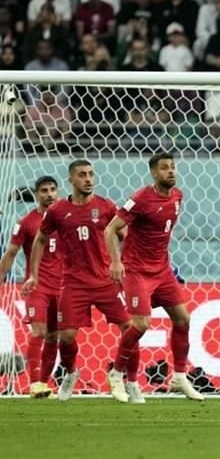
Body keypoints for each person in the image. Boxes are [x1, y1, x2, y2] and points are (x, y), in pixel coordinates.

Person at [23, 160, 133, 403]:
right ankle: (71, 373)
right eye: (82, 175)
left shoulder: (105, 206)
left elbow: (125, 234)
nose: (88, 179)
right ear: (71, 180)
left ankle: (118, 374)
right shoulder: (58, 211)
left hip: (104, 280)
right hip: (73, 283)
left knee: (130, 327)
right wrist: (34, 274)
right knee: (66, 337)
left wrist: (118, 261)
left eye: (91, 174)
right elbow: (41, 240)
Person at [103, 154, 205, 404]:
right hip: (137, 271)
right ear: (153, 173)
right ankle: (116, 373)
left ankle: (180, 376)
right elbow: (110, 229)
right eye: (164, 168)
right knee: (141, 324)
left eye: (172, 167)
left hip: (162, 270)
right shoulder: (140, 199)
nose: (170, 171)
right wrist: (116, 261)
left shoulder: (177, 196)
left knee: (183, 319)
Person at [0, 176, 60, 398]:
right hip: (37, 286)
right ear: (36, 195)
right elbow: (10, 254)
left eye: (53, 189)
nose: (49, 194)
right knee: (39, 331)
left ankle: (44, 383)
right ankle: (34, 383)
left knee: (55, 337)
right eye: (44, 190)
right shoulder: (25, 223)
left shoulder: (67, 218)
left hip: (64, 287)